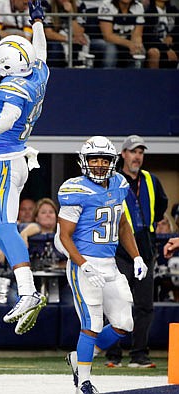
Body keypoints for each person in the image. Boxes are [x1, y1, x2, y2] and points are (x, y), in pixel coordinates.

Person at [0, 0, 49, 335]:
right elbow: (41, 51)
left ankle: (28, 291)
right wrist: (37, 22)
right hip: (12, 158)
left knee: (4, 228)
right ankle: (26, 288)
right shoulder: (38, 72)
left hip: (5, 160)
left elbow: (10, 116)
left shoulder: (12, 86)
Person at [55, 136, 148, 394]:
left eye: (103, 159)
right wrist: (83, 265)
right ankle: (83, 382)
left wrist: (137, 256)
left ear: (112, 161)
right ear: (83, 161)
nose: (98, 164)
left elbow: (122, 224)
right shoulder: (75, 190)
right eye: (93, 159)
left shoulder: (119, 183)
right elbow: (64, 236)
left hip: (110, 264)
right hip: (84, 264)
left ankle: (79, 357)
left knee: (124, 323)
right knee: (92, 324)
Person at [105, 134, 168, 368]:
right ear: (123, 154)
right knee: (117, 301)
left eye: (141, 152)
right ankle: (113, 355)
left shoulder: (151, 180)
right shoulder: (112, 180)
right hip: (119, 248)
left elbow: (161, 204)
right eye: (133, 152)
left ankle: (139, 355)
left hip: (146, 246)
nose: (137, 156)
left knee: (144, 305)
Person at [98, 0, 145, 68]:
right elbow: (107, 36)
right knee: (111, 49)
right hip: (103, 41)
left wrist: (137, 44)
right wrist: (129, 44)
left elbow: (137, 34)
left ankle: (134, 76)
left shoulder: (138, 6)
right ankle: (108, 76)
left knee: (140, 49)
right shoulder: (106, 5)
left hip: (126, 42)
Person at [43, 0, 89, 68]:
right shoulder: (47, 4)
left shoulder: (79, 4)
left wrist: (71, 14)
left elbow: (79, 33)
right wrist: (69, 39)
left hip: (74, 37)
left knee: (82, 41)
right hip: (57, 38)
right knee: (55, 48)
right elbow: (48, 33)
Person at [143, 0, 179, 68]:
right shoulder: (149, 12)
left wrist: (171, 36)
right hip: (156, 45)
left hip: (173, 44)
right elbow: (148, 36)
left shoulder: (173, 10)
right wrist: (166, 49)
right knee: (154, 52)